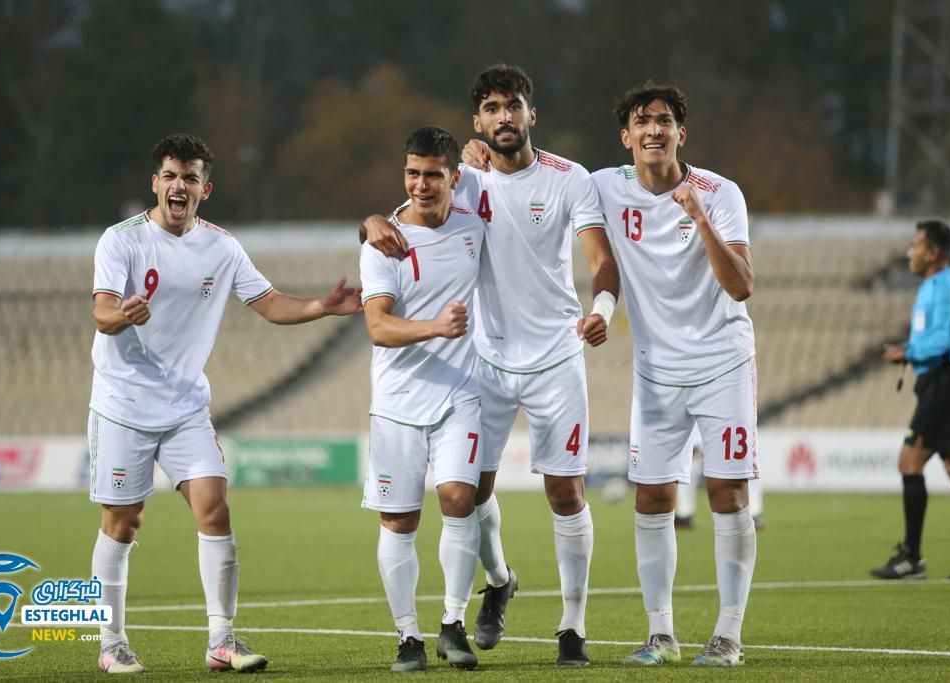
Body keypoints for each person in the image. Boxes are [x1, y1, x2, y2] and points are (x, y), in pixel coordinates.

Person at [364, 64, 620, 666]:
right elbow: (413, 212)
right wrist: (371, 221)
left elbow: (601, 260)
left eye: (514, 105)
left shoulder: (570, 179)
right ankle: (500, 580)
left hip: (557, 356)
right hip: (484, 360)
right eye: (492, 108)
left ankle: (573, 628)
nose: (505, 117)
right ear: (477, 122)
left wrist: (601, 308)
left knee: (566, 492)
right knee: (470, 494)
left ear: (532, 114)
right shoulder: (467, 178)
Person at [88, 133, 362, 674]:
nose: (179, 186)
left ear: (204, 189)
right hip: (123, 403)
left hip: (186, 405)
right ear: (156, 183)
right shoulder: (120, 241)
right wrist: (123, 315)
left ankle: (222, 640)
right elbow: (101, 312)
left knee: (214, 507)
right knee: (123, 521)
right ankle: (111, 642)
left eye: (189, 178)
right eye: (170, 176)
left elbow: (270, 303)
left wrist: (322, 306)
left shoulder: (222, 246)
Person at [591, 81, 758, 667]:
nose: (653, 130)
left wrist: (699, 217)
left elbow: (741, 285)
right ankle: (660, 634)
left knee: (727, 492)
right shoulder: (604, 186)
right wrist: (480, 157)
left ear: (681, 133)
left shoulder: (720, 193)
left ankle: (728, 634)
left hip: (721, 362)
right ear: (626, 136)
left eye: (663, 120)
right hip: (657, 372)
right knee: (653, 497)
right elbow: (537, 176)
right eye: (642, 121)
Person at [359, 127, 486, 672]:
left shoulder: (475, 226)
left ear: (454, 178)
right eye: (413, 173)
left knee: (458, 497)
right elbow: (377, 326)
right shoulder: (383, 241)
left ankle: (453, 624)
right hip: (397, 402)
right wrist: (436, 326)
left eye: (433, 175)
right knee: (399, 522)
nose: (421, 184)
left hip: (460, 393)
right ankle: (407, 636)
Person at [870, 219, 950, 580]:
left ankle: (912, 557)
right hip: (937, 381)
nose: (910, 252)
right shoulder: (932, 286)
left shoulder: (947, 286)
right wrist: (908, 348)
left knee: (909, 462)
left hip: (946, 382)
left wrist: (908, 352)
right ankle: (912, 556)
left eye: (916, 245)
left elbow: (945, 341)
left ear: (933, 252)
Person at [675, 427, 765, 530]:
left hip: (733, 423)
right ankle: (685, 514)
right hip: (701, 426)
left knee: (747, 463)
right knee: (691, 462)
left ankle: (754, 513)